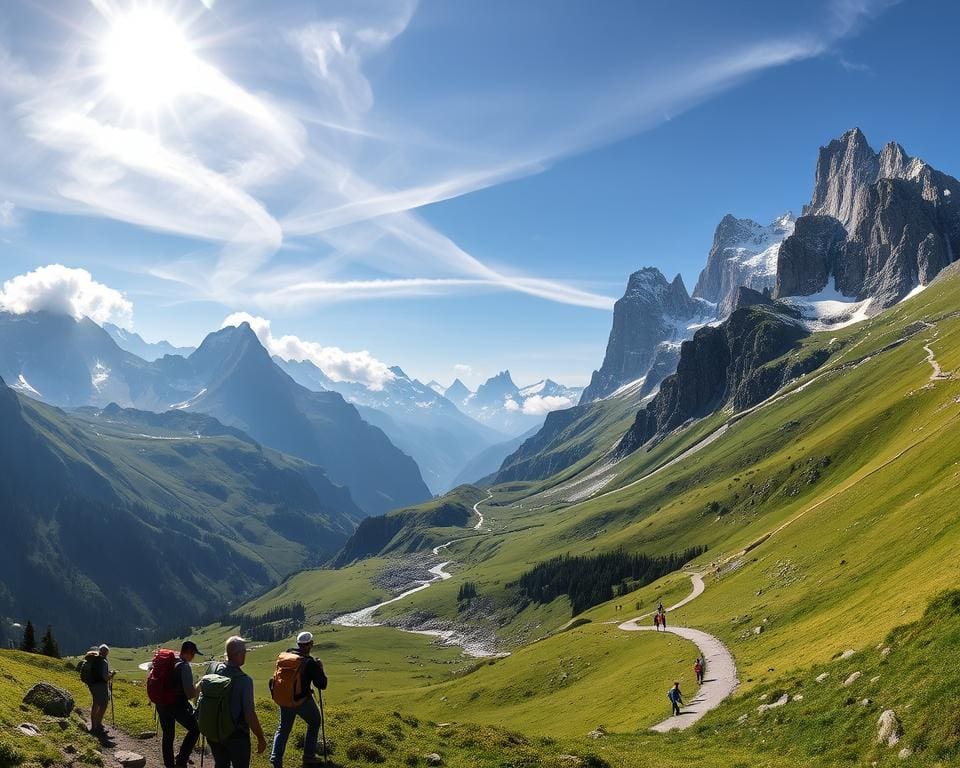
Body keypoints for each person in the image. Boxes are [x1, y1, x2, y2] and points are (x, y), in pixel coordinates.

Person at [269, 631, 328, 768]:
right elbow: (322, 684)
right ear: (311, 644)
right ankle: (308, 756)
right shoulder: (309, 662)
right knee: (315, 721)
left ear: (298, 644)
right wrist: (321, 668)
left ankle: (275, 758)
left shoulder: (287, 656)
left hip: (284, 698)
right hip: (301, 700)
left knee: (283, 728)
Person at [207, 636, 267, 768]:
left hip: (214, 731)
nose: (246, 654)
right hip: (236, 736)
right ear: (237, 654)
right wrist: (260, 737)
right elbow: (249, 714)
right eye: (244, 651)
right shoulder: (244, 680)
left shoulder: (214, 669)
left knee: (221, 764)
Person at [158, 641, 202, 768]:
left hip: (161, 703)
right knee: (195, 729)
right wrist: (199, 685)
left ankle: (170, 765)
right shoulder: (185, 667)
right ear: (188, 652)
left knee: (168, 736)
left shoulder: (171, 661)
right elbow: (190, 694)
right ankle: (181, 761)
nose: (193, 657)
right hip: (175, 705)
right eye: (193, 654)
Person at [88, 644, 116, 737]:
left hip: (92, 684)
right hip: (100, 685)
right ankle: (98, 725)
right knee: (103, 704)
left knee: (95, 703)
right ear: (106, 653)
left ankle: (93, 726)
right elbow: (105, 678)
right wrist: (111, 675)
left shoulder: (95, 659)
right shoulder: (103, 661)